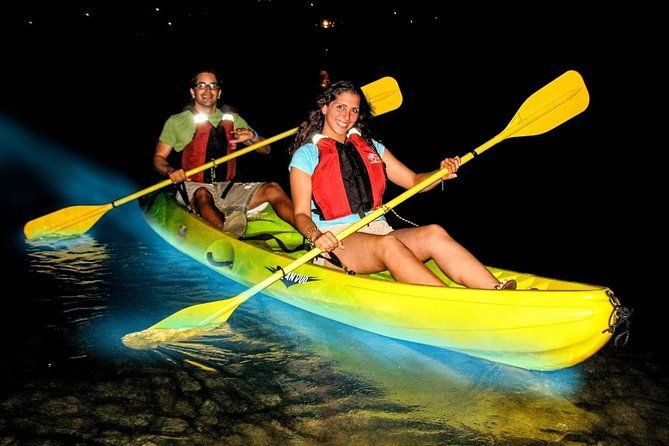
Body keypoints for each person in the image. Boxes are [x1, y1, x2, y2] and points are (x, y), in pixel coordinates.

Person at [288, 80, 515, 290]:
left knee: (434, 233)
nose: (347, 116)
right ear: (326, 108)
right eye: (341, 107)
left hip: (378, 231)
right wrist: (316, 236)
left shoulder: (371, 147)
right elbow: (300, 214)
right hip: (337, 240)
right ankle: (450, 302)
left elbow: (415, 181)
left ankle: (495, 291)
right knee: (389, 245)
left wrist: (440, 173)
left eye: (354, 110)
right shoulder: (306, 155)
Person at [153, 70, 294, 236]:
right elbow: (158, 159)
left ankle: (312, 233)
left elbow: (266, 149)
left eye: (213, 86)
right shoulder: (177, 121)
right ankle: (229, 237)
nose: (207, 90)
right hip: (196, 187)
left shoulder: (232, 119)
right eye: (202, 86)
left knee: (273, 188)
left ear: (219, 93)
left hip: (228, 188)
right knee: (203, 196)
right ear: (193, 92)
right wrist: (170, 171)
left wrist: (253, 137)